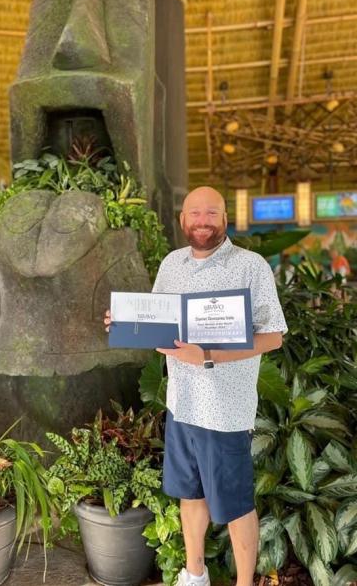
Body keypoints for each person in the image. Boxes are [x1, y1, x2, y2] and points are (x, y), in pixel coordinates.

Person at [105, 186, 287, 586]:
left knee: (236, 504)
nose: (202, 221)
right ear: (183, 219)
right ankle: (194, 572)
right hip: (182, 403)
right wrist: (123, 323)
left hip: (224, 411)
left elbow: (273, 336)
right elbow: (156, 321)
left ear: (225, 218)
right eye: (194, 213)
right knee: (190, 493)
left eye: (211, 213)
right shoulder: (173, 264)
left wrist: (207, 356)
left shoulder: (250, 266)